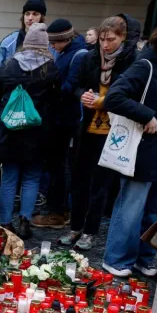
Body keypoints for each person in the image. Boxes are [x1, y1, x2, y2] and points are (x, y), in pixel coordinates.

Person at [101, 15, 157, 278]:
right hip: (143, 146)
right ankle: (117, 258)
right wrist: (146, 115)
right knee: (132, 203)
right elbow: (114, 97)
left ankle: (145, 257)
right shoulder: (145, 65)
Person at [60, 15, 139, 251]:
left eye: (111, 40)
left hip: (113, 131)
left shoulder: (132, 60)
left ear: (123, 37)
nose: (105, 44)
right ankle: (75, 227)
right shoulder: (91, 57)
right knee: (79, 180)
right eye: (102, 39)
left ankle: (90, 231)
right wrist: (82, 95)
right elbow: (75, 85)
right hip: (87, 128)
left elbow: (132, 94)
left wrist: (105, 101)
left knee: (100, 185)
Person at [0, 23, 59, 240]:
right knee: (31, 178)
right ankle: (25, 222)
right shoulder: (51, 69)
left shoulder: (10, 65)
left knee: (9, 178)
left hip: (10, 130)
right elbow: (56, 101)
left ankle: (5, 223)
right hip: (38, 132)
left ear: (26, 43)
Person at [25, 18, 89, 229]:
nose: (52, 46)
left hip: (65, 120)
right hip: (60, 117)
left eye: (55, 42)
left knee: (59, 167)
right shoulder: (69, 51)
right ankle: (59, 210)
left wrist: (48, 89)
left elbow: (70, 85)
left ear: (65, 39)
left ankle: (57, 213)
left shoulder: (78, 55)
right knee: (58, 166)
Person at [0, 0, 47, 76]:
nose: (30, 18)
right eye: (27, 14)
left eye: (35, 14)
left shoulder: (50, 43)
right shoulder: (8, 43)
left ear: (42, 17)